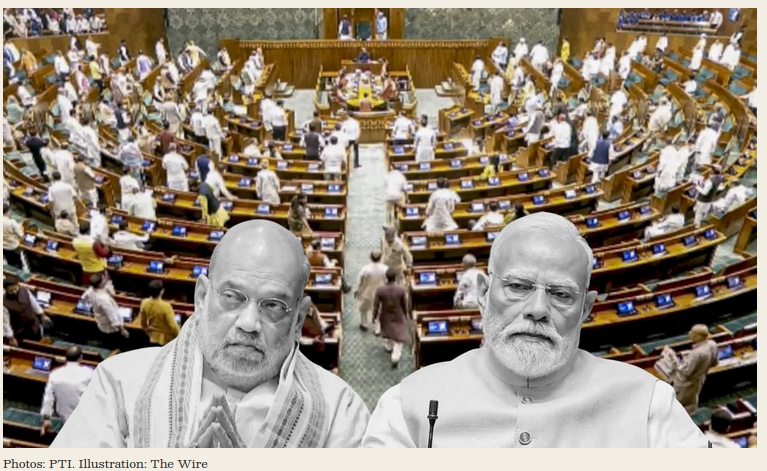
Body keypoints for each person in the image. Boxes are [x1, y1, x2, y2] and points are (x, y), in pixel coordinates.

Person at [362, 212, 708, 447]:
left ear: (586, 309)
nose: (538, 310)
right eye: (517, 286)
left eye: (561, 294)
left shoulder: (650, 407)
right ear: (483, 293)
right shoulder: (404, 407)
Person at [53, 220, 370, 448]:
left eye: (273, 305)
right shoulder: (119, 383)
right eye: (232, 297)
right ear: (202, 297)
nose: (248, 323)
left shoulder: (341, 411)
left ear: (299, 318)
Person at [666, 324, 719, 415]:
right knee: (692, 400)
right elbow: (715, 363)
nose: (689, 333)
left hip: (685, 383)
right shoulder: (712, 344)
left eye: (692, 332)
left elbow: (686, 372)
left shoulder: (696, 354)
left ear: (699, 336)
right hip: (699, 379)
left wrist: (673, 359)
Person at [41, 346, 94, 433]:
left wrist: (46, 418)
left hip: (64, 418)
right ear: (81, 358)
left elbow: (48, 398)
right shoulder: (89, 373)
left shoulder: (55, 374)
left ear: (66, 358)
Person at [373, 268, 411, 368]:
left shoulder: (380, 290)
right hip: (398, 315)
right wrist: (406, 314)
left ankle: (389, 347)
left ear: (386, 277)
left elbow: (376, 305)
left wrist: (374, 316)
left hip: (385, 314)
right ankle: (395, 357)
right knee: (399, 335)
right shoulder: (401, 290)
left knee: (387, 331)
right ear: (395, 277)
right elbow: (405, 304)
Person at [3, 278, 50, 345]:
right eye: (11, 291)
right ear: (6, 290)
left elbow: (34, 303)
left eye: (16, 289)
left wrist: (42, 315)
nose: (14, 292)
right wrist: (11, 338)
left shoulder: (24, 290)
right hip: (20, 330)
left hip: (34, 324)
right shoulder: (3, 303)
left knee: (39, 338)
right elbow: (5, 322)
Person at [139, 280, 180, 347]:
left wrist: (149, 332)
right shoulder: (166, 306)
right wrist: (180, 336)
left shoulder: (144, 303)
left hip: (152, 338)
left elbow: (143, 323)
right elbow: (173, 326)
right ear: (162, 291)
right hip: (167, 341)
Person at [355, 251, 388, 332]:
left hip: (367, 292)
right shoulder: (385, 268)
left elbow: (360, 281)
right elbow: (387, 281)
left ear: (370, 258)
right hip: (380, 292)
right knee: (378, 309)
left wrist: (357, 290)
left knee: (363, 309)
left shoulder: (366, 269)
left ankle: (364, 324)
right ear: (380, 258)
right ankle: (377, 328)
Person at [3, 202, 24, 269]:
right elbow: (21, 235)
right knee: (18, 263)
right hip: (13, 246)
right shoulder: (12, 222)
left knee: (10, 262)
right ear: (8, 211)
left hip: (3, 247)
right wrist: (21, 228)